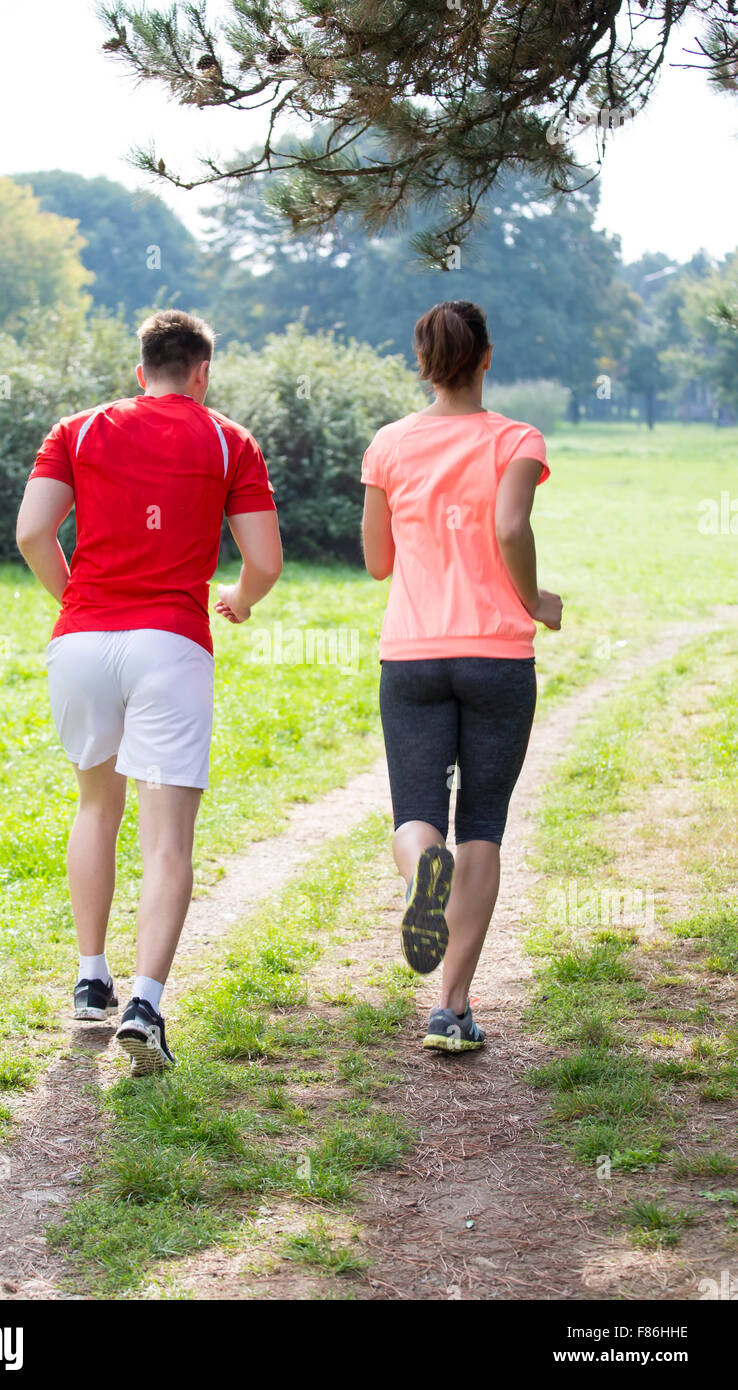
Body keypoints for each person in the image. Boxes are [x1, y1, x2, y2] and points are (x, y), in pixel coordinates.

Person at [16, 309, 282, 1075]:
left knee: (96, 806)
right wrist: (242, 597)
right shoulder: (230, 439)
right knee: (169, 839)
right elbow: (264, 556)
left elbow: (34, 532)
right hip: (171, 643)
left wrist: (75, 602)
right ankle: (145, 1004)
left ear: (142, 370)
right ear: (201, 373)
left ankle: (90, 977)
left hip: (82, 642)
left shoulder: (80, 429)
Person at [361, 300, 562, 1054]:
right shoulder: (517, 439)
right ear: (486, 357)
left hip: (411, 654)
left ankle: (421, 879)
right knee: (481, 827)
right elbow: (511, 528)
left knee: (417, 812)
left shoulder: (389, 445)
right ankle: (450, 1008)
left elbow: (379, 561)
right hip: (497, 657)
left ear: (423, 361)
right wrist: (535, 600)